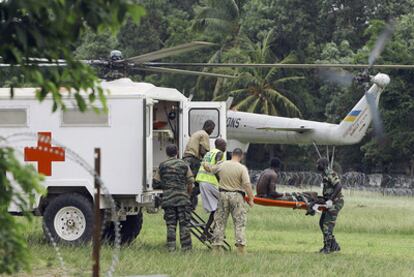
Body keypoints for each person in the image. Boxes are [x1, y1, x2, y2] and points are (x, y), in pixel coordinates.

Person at [203, 148, 254, 254]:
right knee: (239, 222)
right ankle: (241, 249)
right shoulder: (242, 168)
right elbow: (247, 184)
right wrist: (251, 199)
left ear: (232, 154)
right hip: (237, 196)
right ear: (241, 156)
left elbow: (209, 168)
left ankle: (217, 248)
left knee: (220, 222)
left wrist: (205, 162)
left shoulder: (222, 165)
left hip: (222, 195)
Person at [153, 144, 194, 252]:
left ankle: (171, 249)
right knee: (184, 225)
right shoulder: (184, 164)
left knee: (171, 225)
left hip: (168, 200)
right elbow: (190, 182)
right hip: (182, 199)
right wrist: (187, 195)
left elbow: (155, 182)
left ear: (167, 153)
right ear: (177, 152)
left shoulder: (162, 165)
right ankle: (186, 250)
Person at [195, 138, 227, 238]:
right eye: (224, 145)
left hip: (203, 181)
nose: (225, 147)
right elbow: (217, 169)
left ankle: (206, 232)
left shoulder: (209, 153)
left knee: (216, 208)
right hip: (210, 182)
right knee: (224, 202)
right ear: (220, 145)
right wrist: (222, 183)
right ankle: (213, 230)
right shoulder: (219, 154)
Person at [183, 120, 216, 208]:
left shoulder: (197, 133)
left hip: (187, 159)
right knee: (202, 182)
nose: (212, 131)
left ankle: (189, 199)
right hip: (193, 160)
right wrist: (209, 163)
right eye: (212, 129)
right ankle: (190, 199)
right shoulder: (204, 134)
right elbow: (202, 151)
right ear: (208, 127)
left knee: (190, 182)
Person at [316, 158, 344, 254]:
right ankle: (334, 245)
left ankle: (327, 248)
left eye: (318, 164)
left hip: (335, 202)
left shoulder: (329, 173)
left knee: (327, 224)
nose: (317, 166)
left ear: (323, 164)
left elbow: (339, 185)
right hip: (329, 202)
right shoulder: (324, 174)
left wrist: (331, 200)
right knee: (322, 223)